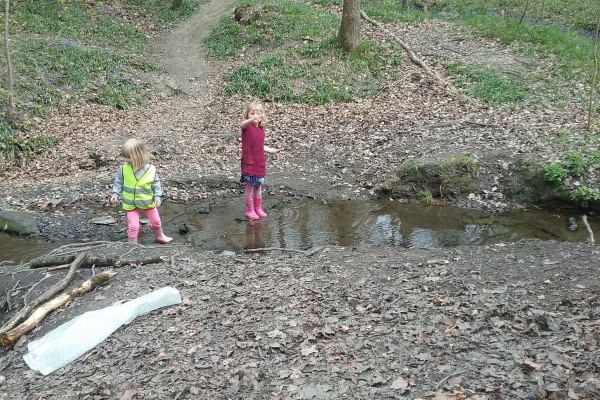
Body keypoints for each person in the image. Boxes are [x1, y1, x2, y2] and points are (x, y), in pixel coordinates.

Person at [110, 138, 173, 244]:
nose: (125, 159)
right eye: (125, 156)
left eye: (128, 157)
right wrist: (115, 194)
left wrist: (158, 196)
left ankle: (160, 236)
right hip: (130, 203)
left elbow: (156, 184)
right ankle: (132, 246)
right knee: (133, 226)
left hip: (147, 201)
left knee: (156, 222)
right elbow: (119, 182)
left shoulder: (151, 169)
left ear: (137, 156)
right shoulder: (123, 168)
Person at [240, 101, 283, 219]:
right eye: (252, 113)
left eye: (258, 113)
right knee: (250, 186)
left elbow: (260, 146)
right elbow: (241, 125)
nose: (255, 116)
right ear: (247, 115)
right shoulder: (247, 127)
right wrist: (249, 120)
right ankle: (249, 209)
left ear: (262, 116)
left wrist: (273, 151)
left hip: (259, 161)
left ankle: (258, 208)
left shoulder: (260, 130)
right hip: (249, 161)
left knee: (258, 186)